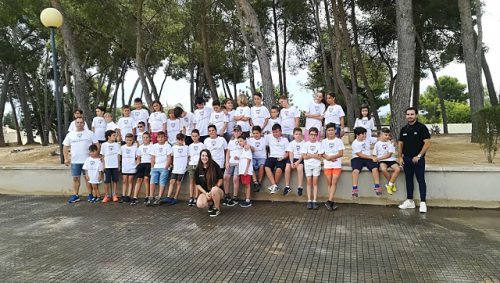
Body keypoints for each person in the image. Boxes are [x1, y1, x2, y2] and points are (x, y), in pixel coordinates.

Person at [397, 107, 431, 213]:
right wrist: (399, 157)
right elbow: (400, 144)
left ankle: (423, 202)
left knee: (420, 179)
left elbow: (427, 143)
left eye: (412, 114)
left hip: (418, 159)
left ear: (416, 115)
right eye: (408, 114)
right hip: (406, 159)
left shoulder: (422, 128)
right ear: (405, 116)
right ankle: (410, 201)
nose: (410, 116)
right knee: (409, 179)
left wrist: (419, 156)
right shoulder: (404, 129)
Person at [63, 117, 97, 203]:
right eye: (77, 122)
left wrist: (96, 155)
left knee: (88, 179)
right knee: (75, 179)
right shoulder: (70, 134)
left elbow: (96, 144)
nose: (79, 124)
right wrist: (66, 158)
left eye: (81, 122)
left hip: (87, 161)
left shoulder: (90, 133)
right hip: (75, 161)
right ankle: (75, 195)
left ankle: (90, 195)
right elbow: (65, 146)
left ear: (84, 123)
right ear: (75, 124)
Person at [351, 127, 381, 198]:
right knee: (355, 171)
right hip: (357, 158)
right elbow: (360, 154)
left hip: (368, 158)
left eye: (365, 133)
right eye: (363, 134)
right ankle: (355, 189)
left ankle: (377, 187)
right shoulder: (354, 143)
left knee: (375, 169)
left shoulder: (367, 139)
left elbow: (378, 139)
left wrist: (388, 139)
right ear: (357, 135)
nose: (365, 135)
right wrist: (372, 157)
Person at [195, 149, 225, 217]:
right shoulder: (198, 169)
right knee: (200, 204)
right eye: (203, 156)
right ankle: (211, 204)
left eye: (206, 156)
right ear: (200, 157)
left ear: (209, 157)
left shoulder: (215, 166)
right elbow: (197, 184)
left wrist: (212, 191)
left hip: (217, 191)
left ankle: (217, 208)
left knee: (214, 189)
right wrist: (206, 193)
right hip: (206, 192)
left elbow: (220, 180)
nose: (204, 157)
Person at [321, 123, 344, 210]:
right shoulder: (324, 142)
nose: (330, 132)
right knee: (329, 183)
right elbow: (322, 153)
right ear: (326, 131)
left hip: (337, 165)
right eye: (329, 130)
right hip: (327, 165)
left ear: (335, 131)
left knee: (334, 182)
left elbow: (341, 153)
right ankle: (332, 202)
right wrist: (329, 159)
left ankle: (329, 201)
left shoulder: (339, 141)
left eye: (332, 130)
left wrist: (332, 157)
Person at [373, 128, 401, 195]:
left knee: (397, 169)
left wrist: (378, 158)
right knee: (383, 169)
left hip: (390, 159)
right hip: (382, 161)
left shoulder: (391, 143)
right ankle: (391, 183)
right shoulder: (377, 144)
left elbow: (389, 155)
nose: (387, 136)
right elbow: (374, 154)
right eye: (386, 135)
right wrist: (375, 159)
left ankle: (389, 185)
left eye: (388, 135)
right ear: (381, 135)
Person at [301, 127, 324, 209]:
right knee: (308, 183)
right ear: (309, 135)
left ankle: (314, 201)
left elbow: (319, 157)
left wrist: (309, 154)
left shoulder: (319, 144)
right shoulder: (305, 144)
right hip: (307, 165)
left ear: (317, 135)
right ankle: (309, 200)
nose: (313, 136)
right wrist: (314, 155)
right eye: (311, 134)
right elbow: (304, 157)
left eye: (315, 135)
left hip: (316, 166)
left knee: (315, 183)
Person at [163, 133, 189, 205]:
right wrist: (171, 164)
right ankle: (168, 197)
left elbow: (189, 157)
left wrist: (187, 165)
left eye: (182, 140)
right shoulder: (174, 147)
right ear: (176, 140)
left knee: (178, 182)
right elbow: (171, 157)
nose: (180, 141)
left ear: (183, 140)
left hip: (182, 168)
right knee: (172, 181)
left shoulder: (186, 147)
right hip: (175, 168)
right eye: (178, 140)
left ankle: (175, 197)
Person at [148, 131, 172, 206]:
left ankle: (159, 197)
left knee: (162, 182)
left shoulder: (168, 146)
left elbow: (169, 158)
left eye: (162, 137)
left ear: (165, 138)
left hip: (164, 167)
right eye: (159, 137)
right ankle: (151, 197)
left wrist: (166, 167)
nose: (160, 138)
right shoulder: (154, 146)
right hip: (155, 167)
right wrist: (152, 167)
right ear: (157, 138)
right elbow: (152, 157)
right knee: (152, 181)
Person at [264, 124, 289, 194]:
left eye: (277, 132)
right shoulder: (269, 137)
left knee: (278, 170)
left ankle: (274, 186)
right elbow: (259, 136)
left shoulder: (285, 140)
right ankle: (274, 185)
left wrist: (283, 158)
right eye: (274, 132)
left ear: (281, 131)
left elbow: (287, 153)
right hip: (272, 156)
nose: (275, 134)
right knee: (266, 167)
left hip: (282, 157)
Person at [131, 132, 152, 205]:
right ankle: (135, 197)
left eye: (147, 137)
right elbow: (138, 158)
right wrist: (138, 164)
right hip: (142, 164)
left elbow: (153, 157)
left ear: (150, 138)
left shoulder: (152, 146)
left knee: (146, 179)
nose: (145, 139)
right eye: (144, 137)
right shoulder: (140, 147)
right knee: (139, 180)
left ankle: (147, 196)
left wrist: (152, 166)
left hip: (149, 164)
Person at [223, 125, 243, 206]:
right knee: (225, 177)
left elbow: (246, 150)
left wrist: (240, 157)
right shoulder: (231, 141)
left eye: (238, 131)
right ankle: (227, 195)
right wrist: (227, 162)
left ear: (241, 132)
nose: (236, 132)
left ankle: (235, 197)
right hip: (231, 162)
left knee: (235, 178)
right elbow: (228, 152)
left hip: (239, 162)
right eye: (235, 131)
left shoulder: (244, 139)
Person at [100, 130, 121, 203]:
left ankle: (114, 194)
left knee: (115, 181)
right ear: (108, 137)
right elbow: (102, 156)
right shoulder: (103, 145)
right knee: (107, 181)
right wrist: (103, 166)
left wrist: (118, 165)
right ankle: (107, 195)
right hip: (107, 166)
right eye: (113, 135)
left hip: (115, 166)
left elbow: (118, 155)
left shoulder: (117, 145)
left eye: (115, 135)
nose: (115, 137)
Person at [284, 127, 305, 196]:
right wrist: (292, 162)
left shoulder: (304, 143)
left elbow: (303, 154)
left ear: (302, 135)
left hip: (300, 159)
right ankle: (287, 187)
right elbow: (291, 153)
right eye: (296, 134)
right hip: (292, 159)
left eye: (299, 134)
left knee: (300, 168)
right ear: (293, 135)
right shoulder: (291, 143)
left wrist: (298, 162)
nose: (298, 135)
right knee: (287, 168)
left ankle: (300, 187)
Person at [187, 129, 205, 206]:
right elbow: (189, 156)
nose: (194, 137)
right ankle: (191, 197)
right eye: (193, 136)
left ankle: (196, 197)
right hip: (191, 165)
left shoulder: (202, 145)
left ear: (199, 136)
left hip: (199, 165)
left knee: (198, 182)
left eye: (196, 136)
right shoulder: (190, 146)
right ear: (191, 137)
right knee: (191, 181)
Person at [248, 126, 267, 192]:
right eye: (254, 133)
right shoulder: (249, 140)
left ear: (260, 133)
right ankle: (255, 182)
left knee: (261, 166)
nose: (255, 135)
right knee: (250, 165)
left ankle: (259, 182)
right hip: (253, 157)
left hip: (262, 157)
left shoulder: (265, 139)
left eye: (257, 133)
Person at [120, 133, 137, 202]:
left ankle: (128, 195)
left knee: (130, 181)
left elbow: (137, 157)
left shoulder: (135, 148)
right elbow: (120, 157)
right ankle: (123, 195)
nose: (129, 141)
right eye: (127, 140)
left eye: (130, 140)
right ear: (125, 140)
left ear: (132, 140)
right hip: (125, 166)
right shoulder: (122, 147)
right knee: (124, 181)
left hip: (132, 167)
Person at [237, 135, 253, 208]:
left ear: (245, 141)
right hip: (242, 171)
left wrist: (246, 170)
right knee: (245, 185)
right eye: (238, 141)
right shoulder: (243, 149)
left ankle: (248, 200)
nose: (239, 143)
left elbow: (249, 159)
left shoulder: (247, 148)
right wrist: (238, 157)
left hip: (246, 171)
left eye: (240, 141)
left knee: (247, 185)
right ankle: (246, 199)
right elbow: (243, 159)